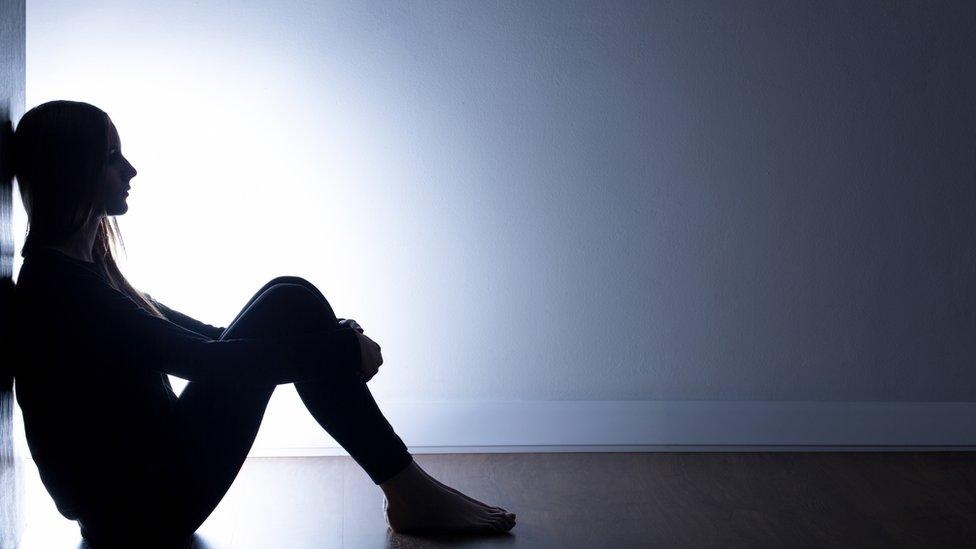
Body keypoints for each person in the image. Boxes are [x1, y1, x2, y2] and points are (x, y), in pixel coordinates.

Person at [10, 100, 515, 548]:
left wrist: (327, 339)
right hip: (141, 514)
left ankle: (408, 490)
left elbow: (200, 339)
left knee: (287, 298)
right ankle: (409, 490)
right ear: (73, 172)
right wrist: (336, 350)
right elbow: (200, 361)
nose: (131, 170)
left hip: (142, 495)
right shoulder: (61, 291)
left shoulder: (80, 270)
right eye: (111, 158)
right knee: (289, 301)